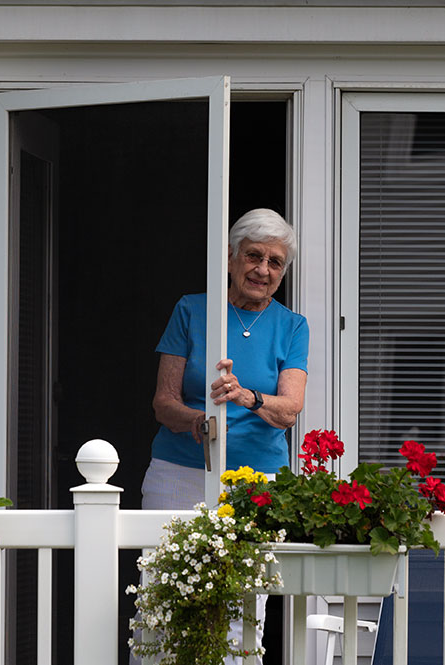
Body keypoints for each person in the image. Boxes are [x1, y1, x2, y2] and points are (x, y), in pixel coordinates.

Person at [139, 208, 309, 663]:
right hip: (181, 471)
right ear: (231, 259)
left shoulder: (292, 326)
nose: (263, 270)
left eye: (275, 262)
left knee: (242, 607)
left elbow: (289, 409)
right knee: (162, 598)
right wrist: (197, 421)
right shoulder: (192, 310)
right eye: (254, 256)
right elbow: (163, 401)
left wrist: (245, 396)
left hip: (256, 483)